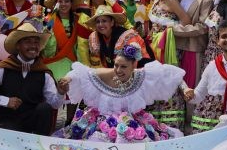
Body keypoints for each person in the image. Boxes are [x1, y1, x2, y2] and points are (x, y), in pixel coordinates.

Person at [56, 40, 186, 142]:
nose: (118, 70)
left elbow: (171, 74)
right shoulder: (105, 73)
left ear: (134, 65)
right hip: (101, 120)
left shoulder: (141, 76)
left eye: (123, 67)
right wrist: (67, 79)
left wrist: (186, 89)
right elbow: (80, 74)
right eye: (116, 65)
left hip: (130, 120)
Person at [0, 24, 67, 134]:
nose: (33, 46)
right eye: (28, 42)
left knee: (45, 108)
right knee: (9, 130)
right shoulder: (4, 68)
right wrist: (6, 101)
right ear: (18, 46)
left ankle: (40, 144)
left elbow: (54, 104)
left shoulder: (43, 72)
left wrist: (60, 93)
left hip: (32, 120)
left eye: (36, 42)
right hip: (8, 120)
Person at [144, 0, 191, 131]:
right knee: (155, 79)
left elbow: (186, 21)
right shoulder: (156, 0)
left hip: (167, 47)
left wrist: (168, 30)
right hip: (154, 47)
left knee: (169, 78)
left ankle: (171, 124)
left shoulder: (173, 2)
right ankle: (155, 121)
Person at [41, 0, 89, 124]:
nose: (63, 4)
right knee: (52, 94)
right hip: (52, 61)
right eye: (60, 1)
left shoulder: (79, 19)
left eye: (66, 1)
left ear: (71, 3)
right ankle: (49, 123)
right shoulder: (47, 20)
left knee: (73, 93)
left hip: (73, 61)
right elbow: (45, 45)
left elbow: (83, 42)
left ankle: (69, 122)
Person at [174, 0, 214, 89]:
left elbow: (203, 26)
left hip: (193, 47)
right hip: (176, 45)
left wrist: (176, 30)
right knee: (178, 85)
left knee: (191, 86)